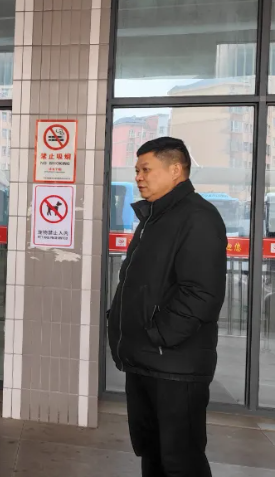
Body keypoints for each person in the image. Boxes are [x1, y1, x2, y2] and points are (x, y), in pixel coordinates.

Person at [107, 137, 227, 477]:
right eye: (136, 170)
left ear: (175, 170)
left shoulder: (198, 217)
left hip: (175, 366)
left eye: (146, 169)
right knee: (152, 454)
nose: (138, 177)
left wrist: (159, 335)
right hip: (147, 361)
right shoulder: (154, 217)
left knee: (180, 461)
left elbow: (201, 293)